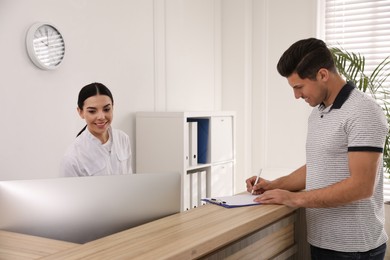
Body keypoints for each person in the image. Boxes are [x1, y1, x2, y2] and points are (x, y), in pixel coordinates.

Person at [246, 38, 388, 259]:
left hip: (354, 248)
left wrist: (293, 199)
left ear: (322, 75)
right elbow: (318, 166)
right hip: (323, 240)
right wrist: (273, 185)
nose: (296, 96)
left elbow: (361, 186)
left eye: (299, 87)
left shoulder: (363, 112)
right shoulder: (319, 112)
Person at [60, 82, 132, 177]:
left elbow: (129, 179)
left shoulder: (123, 139)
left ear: (112, 107)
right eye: (92, 111)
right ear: (80, 112)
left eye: (106, 109)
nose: (101, 117)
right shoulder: (73, 157)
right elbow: (68, 191)